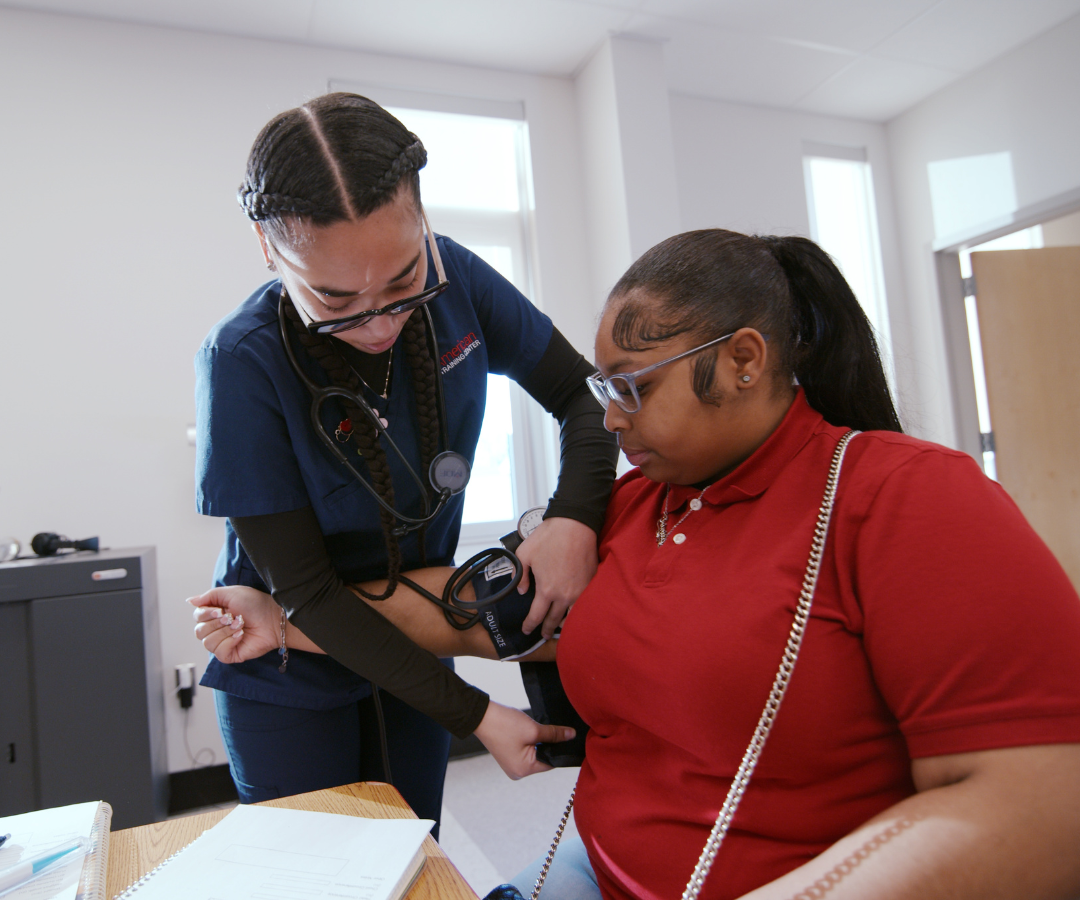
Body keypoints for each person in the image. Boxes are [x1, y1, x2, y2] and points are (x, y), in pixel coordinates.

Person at [196, 227, 1080, 900]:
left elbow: (1040, 806)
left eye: (631, 388)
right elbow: (473, 610)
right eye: (600, 393)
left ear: (742, 361)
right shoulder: (627, 511)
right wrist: (287, 620)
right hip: (596, 872)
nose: (608, 421)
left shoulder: (906, 497)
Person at [193, 91, 616, 832]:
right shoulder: (241, 361)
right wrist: (477, 714)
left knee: (414, 858)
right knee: (322, 879)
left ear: (424, 221)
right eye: (334, 297)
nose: (380, 320)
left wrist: (574, 519)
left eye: (401, 282)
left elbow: (586, 398)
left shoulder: (458, 278)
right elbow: (310, 596)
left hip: (414, 653)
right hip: (288, 659)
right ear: (268, 249)